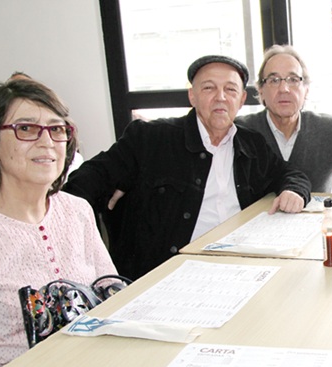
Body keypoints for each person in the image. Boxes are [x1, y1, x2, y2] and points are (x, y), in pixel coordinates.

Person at [64, 55, 311, 280]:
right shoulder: (151, 138)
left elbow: (290, 174)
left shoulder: (251, 143)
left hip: (240, 267)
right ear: (192, 95)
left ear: (242, 99)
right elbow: (83, 183)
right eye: (209, 88)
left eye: (230, 89)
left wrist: (294, 190)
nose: (221, 97)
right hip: (167, 274)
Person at [0, 78, 117, 366]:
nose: (47, 142)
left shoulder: (77, 211)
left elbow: (110, 294)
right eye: (25, 128)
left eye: (56, 129)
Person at [236, 45, 332, 193]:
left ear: (306, 90)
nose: (284, 88)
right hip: (254, 216)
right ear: (260, 90)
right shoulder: (239, 131)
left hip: (319, 216)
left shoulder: (329, 129)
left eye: (293, 80)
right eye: (274, 80)